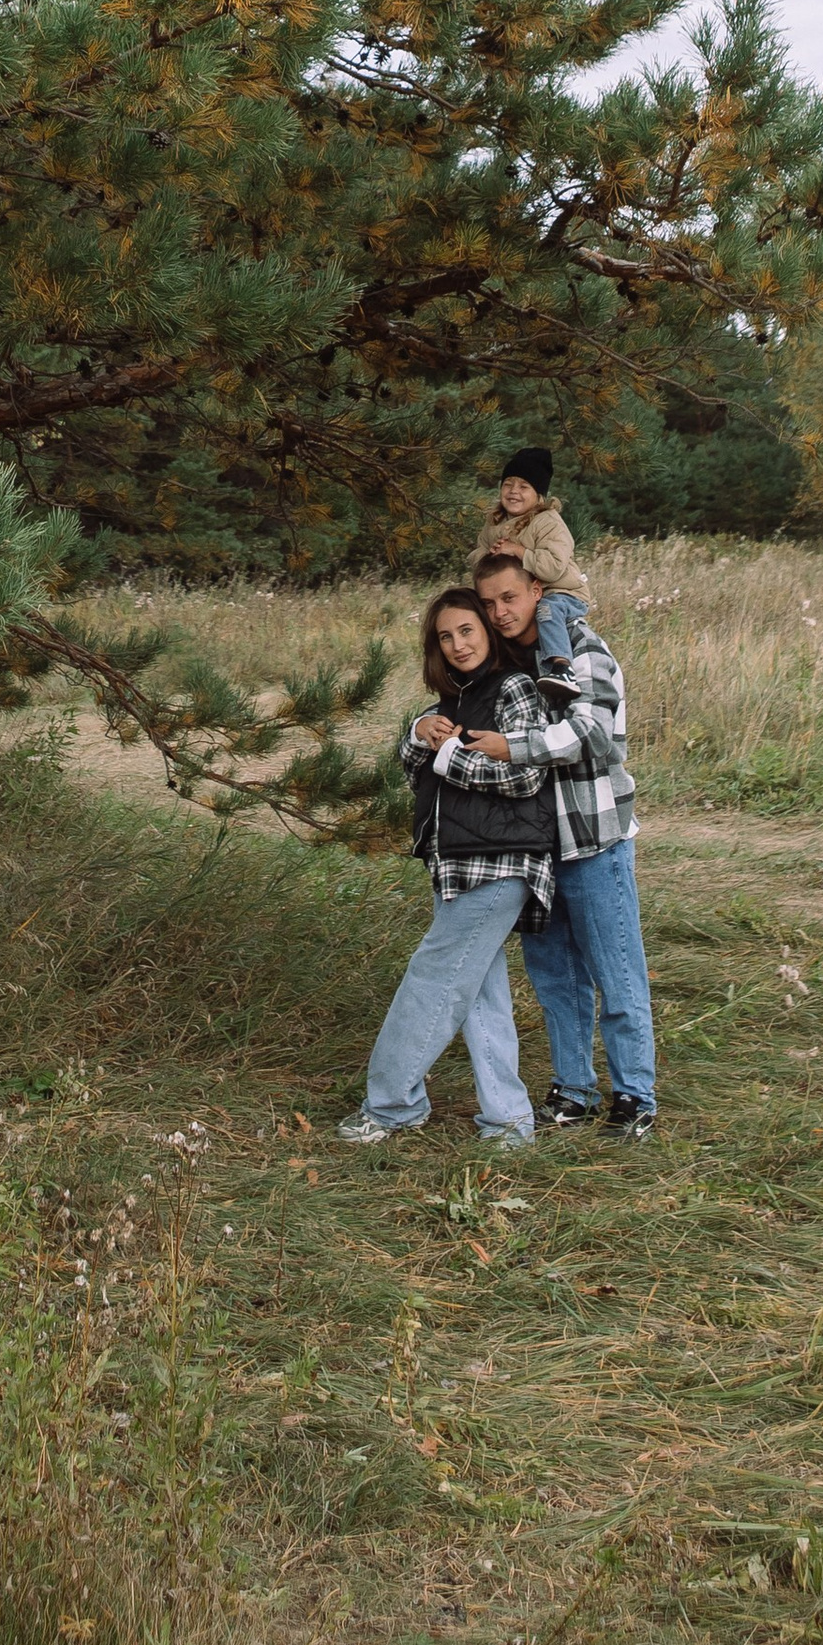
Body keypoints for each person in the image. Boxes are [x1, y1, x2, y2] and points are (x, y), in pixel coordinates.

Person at [338, 589, 555, 1153]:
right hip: (454, 863)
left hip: (499, 861)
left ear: (488, 630)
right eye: (445, 636)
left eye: (467, 630)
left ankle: (390, 1106)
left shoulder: (514, 687)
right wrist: (420, 735)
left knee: (432, 978)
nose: (457, 644)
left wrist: (449, 756)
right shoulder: (453, 700)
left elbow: (527, 774)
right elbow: (419, 773)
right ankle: (508, 1121)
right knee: (479, 993)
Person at [472, 547, 658, 1140]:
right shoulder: (504, 662)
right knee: (554, 976)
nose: (500, 613)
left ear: (537, 591)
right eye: (488, 604)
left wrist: (514, 748)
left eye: (509, 597)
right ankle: (573, 1090)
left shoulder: (582, 651)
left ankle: (635, 1096)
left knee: (616, 972)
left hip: (595, 840)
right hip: (535, 848)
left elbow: (592, 734)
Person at [471, 447, 592, 606]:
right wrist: (489, 556)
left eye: (523, 487)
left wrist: (517, 551)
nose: (513, 491)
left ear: (539, 495)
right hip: (518, 596)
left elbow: (553, 568)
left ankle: (572, 623)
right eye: (508, 484)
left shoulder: (548, 523)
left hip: (559, 593)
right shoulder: (495, 520)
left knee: (546, 613)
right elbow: (477, 554)